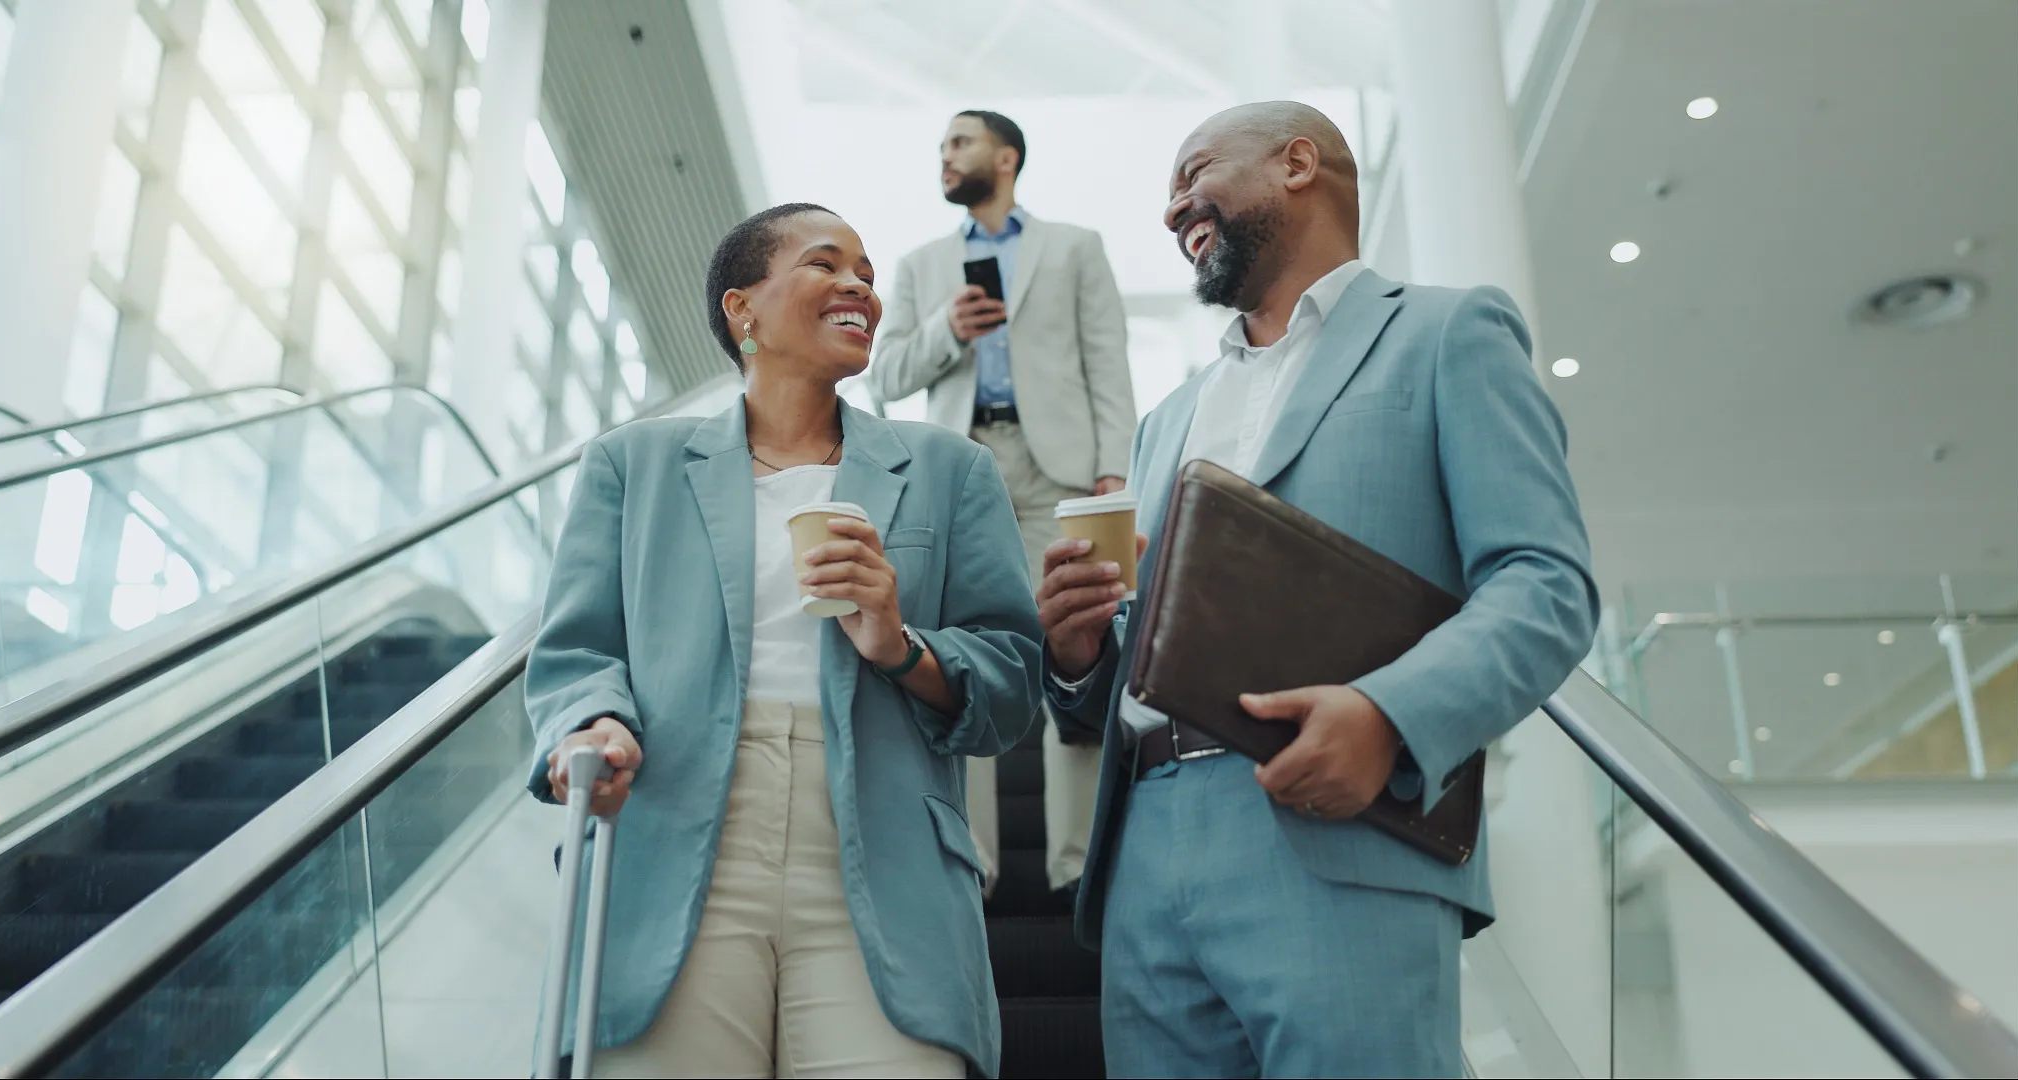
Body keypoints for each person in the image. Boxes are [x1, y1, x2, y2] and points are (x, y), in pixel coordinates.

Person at [1036, 102, 1599, 1076]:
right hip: (1146, 851)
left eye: (1193, 173)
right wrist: (1080, 651)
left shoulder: (1443, 332)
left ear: (1297, 163)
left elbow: (1543, 583)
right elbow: (1145, 644)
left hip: (1337, 827)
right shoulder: (1163, 419)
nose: (1172, 210)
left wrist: (1389, 715)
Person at [526, 203, 1043, 1079]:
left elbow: (1011, 687)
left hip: (884, 855)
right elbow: (575, 655)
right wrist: (595, 722)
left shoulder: (949, 470)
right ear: (744, 311)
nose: (859, 289)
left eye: (869, 276)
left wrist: (901, 644)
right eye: (825, 264)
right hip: (675, 828)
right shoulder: (632, 465)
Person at [872, 108, 1137, 905]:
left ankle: (1076, 866)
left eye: (959, 142)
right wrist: (949, 330)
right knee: (971, 661)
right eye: (941, 148)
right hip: (963, 471)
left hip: (1064, 475)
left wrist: (1113, 473)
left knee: (1082, 649)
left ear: (1007, 156)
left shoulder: (1074, 247)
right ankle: (974, 865)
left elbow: (1106, 360)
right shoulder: (923, 264)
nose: (945, 157)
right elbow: (886, 378)